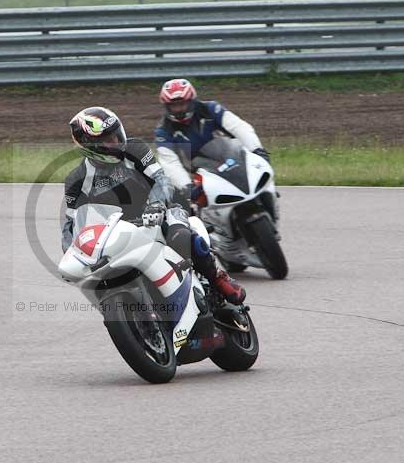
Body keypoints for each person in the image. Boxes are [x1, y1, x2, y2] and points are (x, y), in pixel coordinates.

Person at [61, 106, 246, 305]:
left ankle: (217, 277)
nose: (115, 142)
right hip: (116, 234)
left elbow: (161, 179)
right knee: (97, 281)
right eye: (107, 140)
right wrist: (74, 254)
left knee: (181, 236)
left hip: (159, 212)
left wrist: (157, 205)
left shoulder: (135, 149)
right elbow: (71, 225)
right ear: (88, 145)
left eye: (115, 135)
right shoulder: (76, 180)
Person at [153, 78, 277, 219]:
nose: (179, 109)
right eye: (174, 106)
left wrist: (257, 149)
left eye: (183, 104)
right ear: (166, 107)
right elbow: (169, 163)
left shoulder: (210, 109)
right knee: (193, 215)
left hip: (229, 158)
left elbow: (238, 127)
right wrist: (187, 186)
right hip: (198, 174)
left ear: (192, 101)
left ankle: (270, 202)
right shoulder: (163, 131)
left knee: (260, 175)